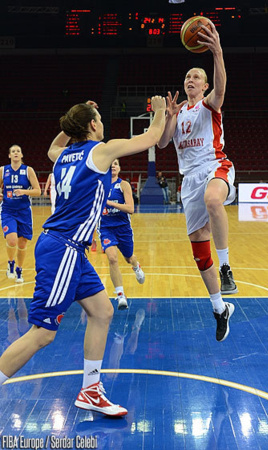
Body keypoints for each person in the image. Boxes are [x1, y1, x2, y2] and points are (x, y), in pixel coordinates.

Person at [0, 97, 166, 416]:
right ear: (92, 125)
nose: (102, 123)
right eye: (99, 119)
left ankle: (90, 389)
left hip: (69, 250)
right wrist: (159, 110)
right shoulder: (99, 151)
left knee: (102, 311)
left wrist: (74, 120)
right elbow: (151, 138)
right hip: (62, 248)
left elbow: (53, 144)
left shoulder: (61, 156)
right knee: (43, 333)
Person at [158, 22, 237, 342]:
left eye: (196, 77)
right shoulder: (179, 113)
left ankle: (227, 267)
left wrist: (217, 53)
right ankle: (220, 308)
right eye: (188, 76)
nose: (191, 79)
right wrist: (168, 117)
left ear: (204, 87)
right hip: (189, 180)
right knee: (198, 250)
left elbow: (222, 87)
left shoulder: (210, 104)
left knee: (214, 200)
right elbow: (162, 143)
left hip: (215, 166)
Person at [97, 158, 145, 310]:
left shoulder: (123, 185)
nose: (113, 166)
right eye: (110, 164)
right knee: (112, 258)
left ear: (119, 168)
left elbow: (131, 208)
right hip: (105, 228)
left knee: (129, 257)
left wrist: (111, 203)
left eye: (116, 163)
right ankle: (120, 295)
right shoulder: (98, 185)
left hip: (123, 228)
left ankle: (136, 266)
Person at [0, 144, 41, 283]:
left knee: (22, 244)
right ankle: (10, 264)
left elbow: (37, 191)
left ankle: (19, 268)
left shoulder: (28, 170)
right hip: (8, 211)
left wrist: (24, 191)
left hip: (24, 211)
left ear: (22, 155)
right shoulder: (3, 170)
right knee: (11, 240)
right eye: (13, 151)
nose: (16, 153)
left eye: (18, 151)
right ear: (9, 155)